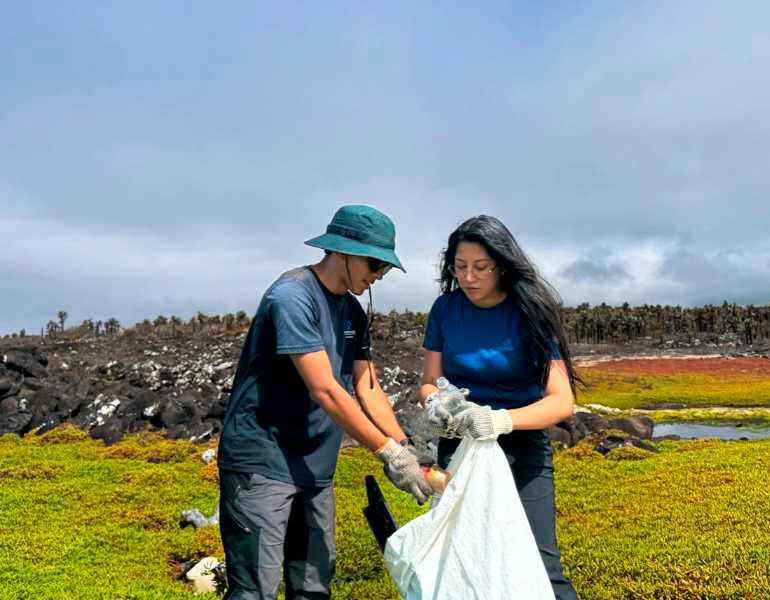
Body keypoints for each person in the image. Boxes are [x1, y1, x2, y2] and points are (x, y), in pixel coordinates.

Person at [218, 205, 432, 600]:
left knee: (314, 587)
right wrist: (386, 452)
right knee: (255, 591)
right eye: (375, 263)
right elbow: (326, 389)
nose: (379, 275)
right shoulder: (292, 296)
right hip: (262, 461)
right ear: (342, 251)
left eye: (385, 268)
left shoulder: (353, 311)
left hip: (315, 468)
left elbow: (367, 387)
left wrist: (405, 448)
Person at [419, 215, 581, 600]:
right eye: (460, 267)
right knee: (462, 560)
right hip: (459, 446)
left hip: (522, 447)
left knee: (542, 564)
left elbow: (562, 401)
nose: (468, 277)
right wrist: (436, 403)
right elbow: (429, 380)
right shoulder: (445, 309)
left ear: (503, 266)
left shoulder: (531, 312)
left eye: (481, 267)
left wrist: (500, 420)